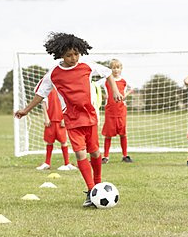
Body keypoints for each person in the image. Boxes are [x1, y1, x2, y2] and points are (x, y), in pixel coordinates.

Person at [14, 32, 123, 207]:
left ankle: (98, 183)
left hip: (90, 117)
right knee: (80, 153)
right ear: (60, 55)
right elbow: (40, 94)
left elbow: (108, 73)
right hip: (72, 120)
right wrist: (26, 110)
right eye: (68, 55)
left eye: (76, 54)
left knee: (94, 152)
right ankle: (90, 190)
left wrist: (115, 91)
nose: (73, 58)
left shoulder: (86, 65)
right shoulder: (53, 74)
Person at [36, 87, 77, 171]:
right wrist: (46, 118)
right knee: (49, 142)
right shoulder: (47, 88)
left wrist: (64, 118)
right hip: (50, 121)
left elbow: (68, 104)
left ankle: (67, 163)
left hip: (60, 121)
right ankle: (47, 163)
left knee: (63, 142)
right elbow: (43, 104)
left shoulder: (62, 88)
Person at [101, 59, 134, 163]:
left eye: (117, 68)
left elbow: (132, 88)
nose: (115, 70)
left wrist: (125, 95)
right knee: (108, 134)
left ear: (121, 69)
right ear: (110, 69)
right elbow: (94, 86)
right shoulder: (105, 80)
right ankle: (105, 157)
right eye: (113, 68)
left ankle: (125, 155)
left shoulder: (124, 80)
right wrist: (103, 96)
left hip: (121, 110)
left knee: (123, 133)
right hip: (110, 111)